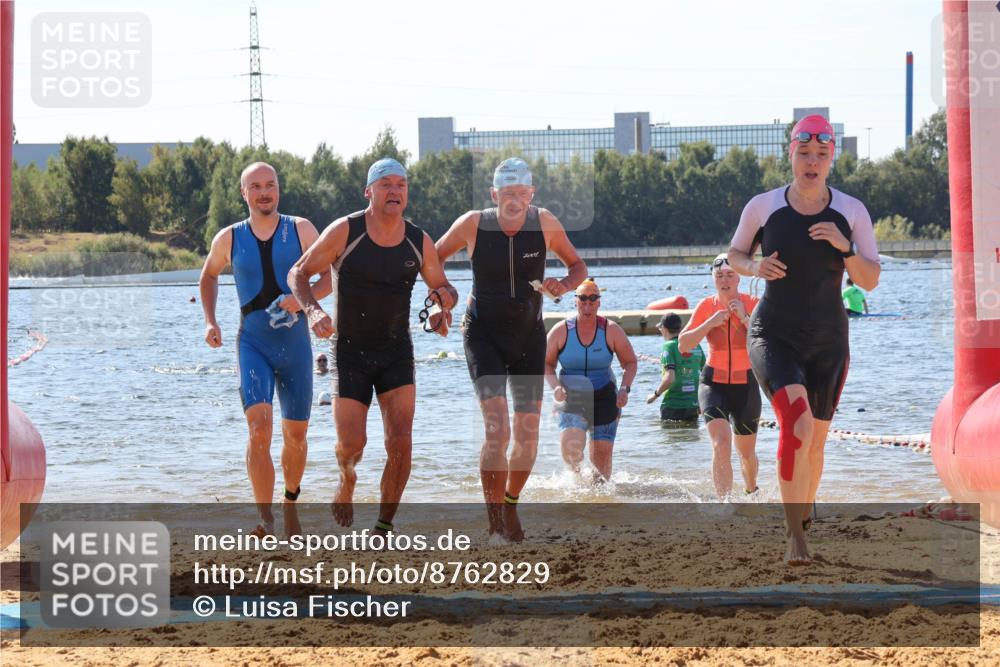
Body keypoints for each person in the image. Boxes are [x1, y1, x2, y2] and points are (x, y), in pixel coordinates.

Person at [727, 115, 880, 564]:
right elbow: (735, 253)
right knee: (796, 426)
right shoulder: (764, 206)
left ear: (832, 158)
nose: (812, 162)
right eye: (804, 153)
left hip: (830, 341)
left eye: (821, 154)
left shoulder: (851, 212)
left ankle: (802, 517)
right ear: (790, 154)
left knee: (815, 442)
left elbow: (869, 281)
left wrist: (844, 247)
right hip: (774, 333)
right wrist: (754, 268)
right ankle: (795, 535)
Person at [288, 158, 458, 535]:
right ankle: (346, 480)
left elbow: (444, 287)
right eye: (386, 184)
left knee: (401, 443)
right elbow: (297, 272)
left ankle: (382, 526)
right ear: (369, 191)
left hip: (396, 351)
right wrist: (313, 311)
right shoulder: (345, 231)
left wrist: (441, 306)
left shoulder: (418, 240)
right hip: (349, 351)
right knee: (352, 444)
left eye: (401, 185)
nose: (395, 191)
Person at [436, 157, 587, 541]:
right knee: (497, 430)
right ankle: (493, 520)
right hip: (482, 335)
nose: (515, 200)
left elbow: (578, 267)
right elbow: (430, 258)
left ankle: (511, 504)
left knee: (528, 433)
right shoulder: (473, 223)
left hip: (528, 337)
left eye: (521, 193)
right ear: (494, 195)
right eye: (507, 193)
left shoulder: (546, 223)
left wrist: (563, 286)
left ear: (531, 194)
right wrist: (441, 298)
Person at [199, 161, 332, 537]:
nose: (263, 192)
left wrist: (301, 301)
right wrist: (210, 320)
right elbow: (208, 275)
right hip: (252, 342)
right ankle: (265, 518)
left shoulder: (301, 229)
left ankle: (290, 504)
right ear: (244, 193)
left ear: (278, 189)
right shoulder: (229, 238)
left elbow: (331, 275)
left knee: (297, 434)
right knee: (259, 427)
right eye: (255, 186)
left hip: (295, 346)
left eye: (269, 185)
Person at [678, 253, 761, 499]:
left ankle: (751, 490)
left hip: (746, 385)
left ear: (739, 278)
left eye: (730, 275)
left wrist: (745, 318)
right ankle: (723, 504)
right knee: (721, 443)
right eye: (719, 276)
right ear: (713, 279)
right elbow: (683, 344)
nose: (725, 281)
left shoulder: (754, 302)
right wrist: (710, 323)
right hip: (713, 384)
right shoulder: (707, 306)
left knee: (746, 454)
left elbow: (768, 342)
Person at [545, 279, 637, 482]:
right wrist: (556, 387)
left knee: (601, 473)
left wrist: (624, 389)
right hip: (571, 395)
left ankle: (597, 504)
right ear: (575, 302)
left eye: (592, 300)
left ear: (599, 303)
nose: (587, 306)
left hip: (605, 395)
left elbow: (630, 362)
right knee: (571, 448)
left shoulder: (611, 330)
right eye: (583, 300)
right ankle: (576, 481)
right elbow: (546, 364)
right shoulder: (561, 331)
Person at [647, 313, 705, 424]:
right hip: (693, 406)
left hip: (673, 406)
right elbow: (707, 374)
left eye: (660, 328)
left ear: (664, 329)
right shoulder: (696, 345)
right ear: (680, 328)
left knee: (671, 439)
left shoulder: (668, 346)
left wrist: (654, 395)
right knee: (690, 438)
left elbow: (670, 378)